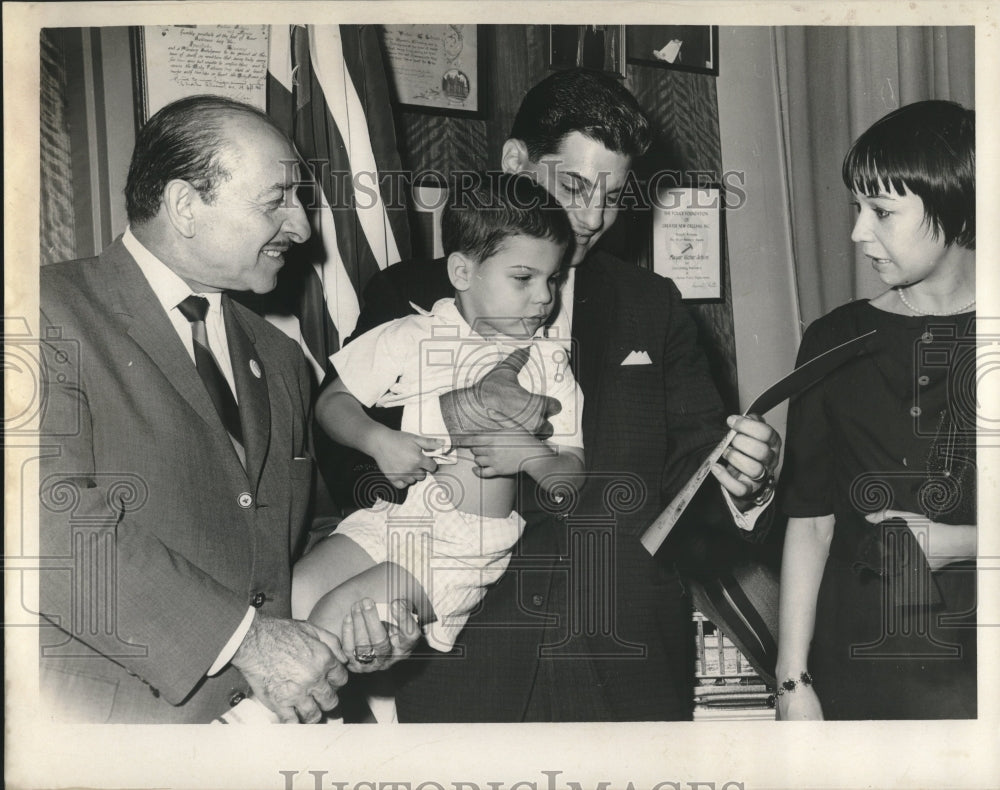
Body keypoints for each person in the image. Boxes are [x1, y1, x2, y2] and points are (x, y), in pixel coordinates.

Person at [333, 69, 782, 721]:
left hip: (626, 669)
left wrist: (748, 487)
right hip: (465, 664)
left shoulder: (651, 308)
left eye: (613, 195)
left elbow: (696, 487)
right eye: (575, 185)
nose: (594, 217)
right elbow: (353, 469)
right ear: (515, 161)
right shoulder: (407, 295)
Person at [37, 95, 414, 724]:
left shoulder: (281, 355)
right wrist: (247, 640)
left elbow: (297, 534)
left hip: (264, 732)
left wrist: (359, 609)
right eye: (277, 201)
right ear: (186, 205)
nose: (301, 227)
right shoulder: (41, 313)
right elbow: (43, 529)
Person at [294, 174, 584, 660]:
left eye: (552, 279)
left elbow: (569, 476)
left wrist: (532, 457)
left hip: (460, 548)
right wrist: (377, 440)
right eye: (523, 278)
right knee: (295, 594)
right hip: (392, 520)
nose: (544, 298)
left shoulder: (548, 363)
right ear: (462, 272)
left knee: (334, 615)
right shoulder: (410, 334)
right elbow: (331, 403)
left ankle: (266, 730)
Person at [775, 100, 977, 720]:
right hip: (859, 663)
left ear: (958, 207)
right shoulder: (833, 339)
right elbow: (810, 521)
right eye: (857, 209)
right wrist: (792, 682)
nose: (859, 232)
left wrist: (964, 542)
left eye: (883, 212)